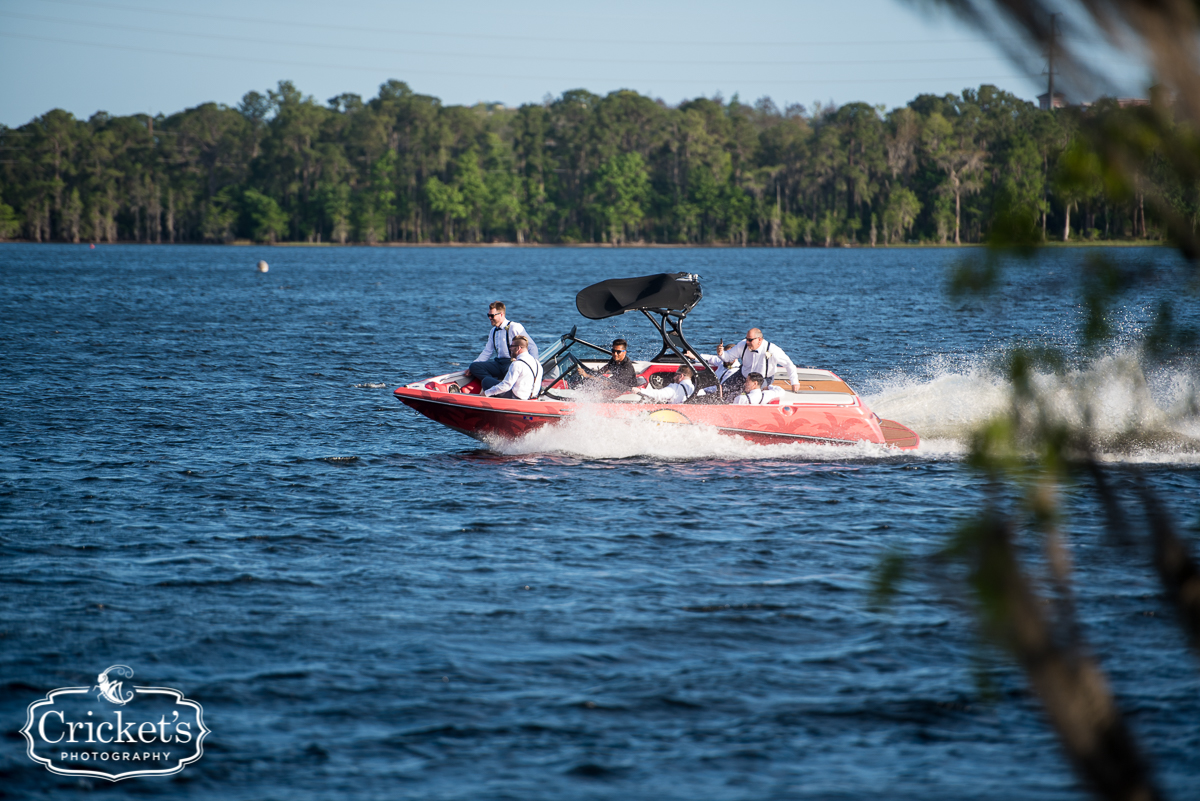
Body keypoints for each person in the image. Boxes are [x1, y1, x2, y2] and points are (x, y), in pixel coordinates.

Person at [470, 302, 539, 391]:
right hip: (499, 363)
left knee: (511, 370)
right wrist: (473, 365)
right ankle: (497, 385)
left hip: (512, 363)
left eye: (492, 316)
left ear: (501, 314)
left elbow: (532, 347)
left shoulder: (515, 327)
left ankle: (497, 386)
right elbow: (487, 351)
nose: (490, 318)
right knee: (474, 367)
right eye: (488, 315)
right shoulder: (493, 331)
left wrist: (533, 366)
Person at [716, 328, 800, 393]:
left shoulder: (773, 350)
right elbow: (728, 357)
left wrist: (794, 382)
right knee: (723, 388)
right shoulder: (742, 345)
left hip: (763, 378)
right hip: (743, 375)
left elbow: (789, 365)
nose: (747, 342)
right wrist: (721, 353)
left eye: (750, 340)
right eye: (746, 339)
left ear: (759, 340)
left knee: (752, 392)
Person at [482, 336, 543, 400]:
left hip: (517, 398)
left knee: (487, 380)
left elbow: (506, 386)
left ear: (518, 348)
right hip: (531, 397)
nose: (510, 348)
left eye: (511, 346)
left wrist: (486, 393)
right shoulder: (537, 364)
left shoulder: (517, 364)